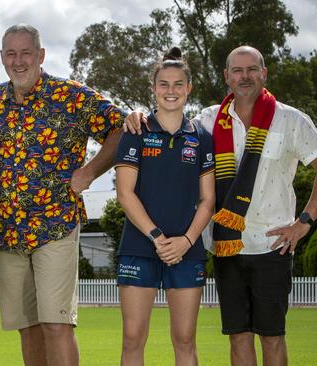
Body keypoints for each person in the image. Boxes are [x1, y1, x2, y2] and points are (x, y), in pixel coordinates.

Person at [125, 45, 317, 366]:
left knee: (272, 337)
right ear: (226, 76)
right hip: (226, 246)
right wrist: (135, 115)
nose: (245, 77)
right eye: (237, 71)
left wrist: (305, 221)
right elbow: (169, 120)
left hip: (273, 246)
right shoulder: (208, 119)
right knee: (238, 336)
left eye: (252, 69)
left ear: (263, 74)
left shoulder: (290, 120)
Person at [0, 24, 125, 366]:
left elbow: (121, 126)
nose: (18, 60)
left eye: (25, 52)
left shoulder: (71, 95)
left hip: (55, 225)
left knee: (57, 324)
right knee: (28, 328)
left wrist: (88, 172)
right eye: (10, 54)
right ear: (2, 58)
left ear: (40, 55)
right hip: (7, 229)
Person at [114, 47, 215, 365]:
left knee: (185, 339)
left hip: (187, 251)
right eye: (164, 84)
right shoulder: (135, 131)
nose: (171, 91)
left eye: (178, 84)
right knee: (132, 339)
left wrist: (185, 241)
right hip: (139, 246)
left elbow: (208, 199)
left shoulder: (202, 137)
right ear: (154, 88)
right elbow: (125, 194)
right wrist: (158, 237)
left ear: (189, 88)